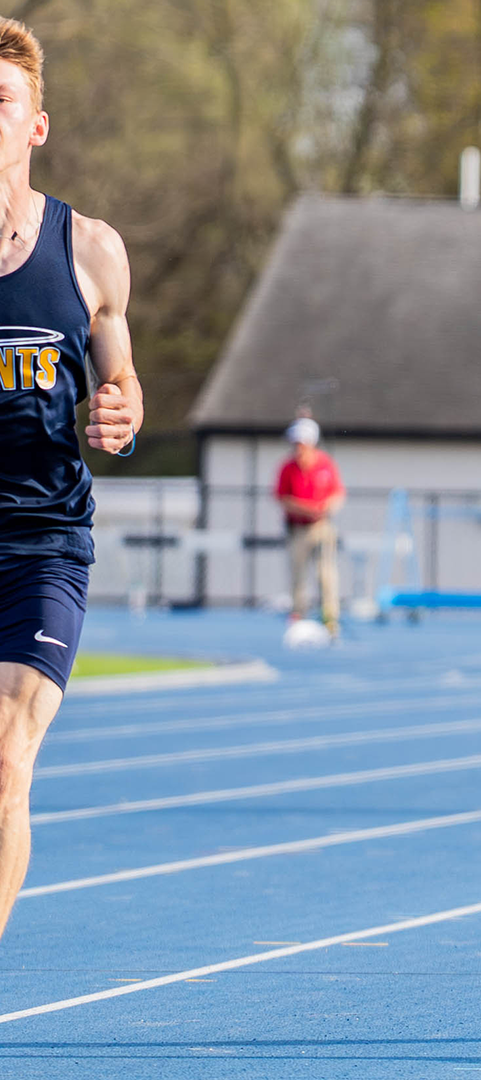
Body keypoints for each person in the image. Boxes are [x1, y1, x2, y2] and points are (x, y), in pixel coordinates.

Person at [0, 17, 143, 940]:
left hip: (43, 546)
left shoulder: (88, 249)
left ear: (35, 125)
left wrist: (122, 413)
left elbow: (122, 385)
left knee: (7, 758)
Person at [275, 416, 345, 639]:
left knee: (326, 574)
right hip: (298, 528)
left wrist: (326, 507)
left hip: (321, 527)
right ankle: (298, 616)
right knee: (298, 575)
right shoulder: (288, 468)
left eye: (301, 443)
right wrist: (305, 509)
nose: (298, 448)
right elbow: (282, 497)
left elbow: (338, 493)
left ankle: (330, 618)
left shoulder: (325, 464)